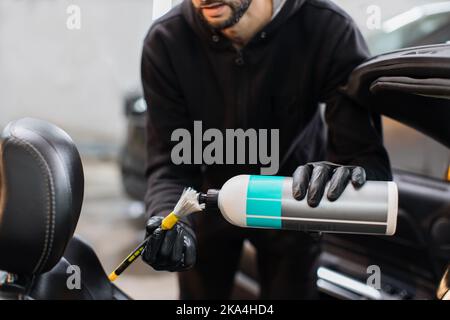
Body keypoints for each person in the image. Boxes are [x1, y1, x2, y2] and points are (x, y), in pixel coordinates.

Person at [140, 0, 392, 299]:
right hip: (206, 205)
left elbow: (363, 157)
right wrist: (170, 216)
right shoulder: (167, 40)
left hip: (293, 200)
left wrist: (344, 178)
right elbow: (170, 163)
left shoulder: (327, 29)